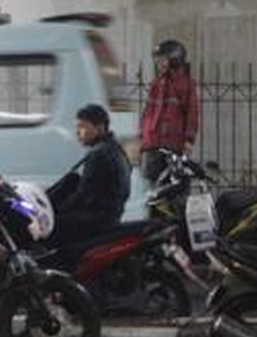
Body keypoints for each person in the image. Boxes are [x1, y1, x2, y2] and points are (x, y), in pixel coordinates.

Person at [48, 104, 131, 246]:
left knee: (52, 227)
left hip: (97, 220)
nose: (78, 132)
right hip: (111, 216)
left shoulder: (98, 155)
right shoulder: (116, 149)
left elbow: (82, 196)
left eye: (82, 127)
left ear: (100, 128)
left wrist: (54, 214)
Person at [140, 39, 200, 184]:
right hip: (153, 146)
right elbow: (148, 114)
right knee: (150, 186)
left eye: (162, 60)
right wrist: (143, 138)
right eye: (157, 60)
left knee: (173, 184)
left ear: (175, 59)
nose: (159, 64)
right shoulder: (156, 84)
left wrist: (188, 140)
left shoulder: (185, 84)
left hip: (173, 145)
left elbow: (192, 114)